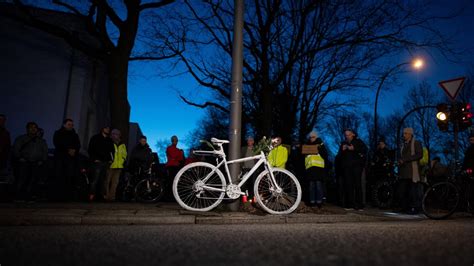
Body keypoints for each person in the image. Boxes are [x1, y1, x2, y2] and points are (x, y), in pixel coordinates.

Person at [12, 122, 48, 201]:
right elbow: (16, 149)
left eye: (35, 127)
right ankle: (18, 196)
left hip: (36, 162)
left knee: (33, 180)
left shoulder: (41, 141)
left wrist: (42, 160)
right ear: (27, 129)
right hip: (24, 162)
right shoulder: (21, 138)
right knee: (22, 179)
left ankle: (29, 196)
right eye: (31, 127)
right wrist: (20, 158)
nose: (33, 129)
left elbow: (45, 151)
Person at [336, 129, 367, 210]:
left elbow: (365, 149)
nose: (347, 136)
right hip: (347, 167)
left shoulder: (358, 141)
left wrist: (354, 148)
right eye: (346, 135)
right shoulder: (343, 143)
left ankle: (359, 205)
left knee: (357, 185)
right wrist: (342, 151)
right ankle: (350, 204)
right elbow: (339, 156)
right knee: (348, 185)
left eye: (348, 135)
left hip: (357, 166)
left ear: (353, 134)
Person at [53, 118, 81, 201]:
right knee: (59, 176)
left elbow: (78, 144)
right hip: (60, 158)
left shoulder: (74, 135)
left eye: (72, 125)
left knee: (69, 177)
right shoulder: (58, 133)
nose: (71, 126)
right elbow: (58, 143)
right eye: (69, 124)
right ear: (64, 125)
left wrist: (74, 150)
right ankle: (58, 196)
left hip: (71, 159)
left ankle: (67, 196)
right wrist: (68, 150)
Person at [397, 127, 423, 214]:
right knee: (403, 191)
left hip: (412, 171)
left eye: (405, 133)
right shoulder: (403, 144)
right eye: (403, 133)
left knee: (413, 192)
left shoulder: (416, 143)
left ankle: (415, 208)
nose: (404, 135)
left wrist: (405, 159)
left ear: (410, 134)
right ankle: (404, 207)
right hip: (404, 172)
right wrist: (400, 161)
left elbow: (419, 155)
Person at [87, 126, 114, 201]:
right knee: (95, 179)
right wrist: (94, 159)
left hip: (106, 163)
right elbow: (90, 149)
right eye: (106, 128)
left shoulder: (109, 140)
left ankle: (102, 196)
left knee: (104, 180)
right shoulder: (95, 138)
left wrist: (111, 160)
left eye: (109, 129)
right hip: (97, 162)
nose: (108, 130)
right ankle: (91, 195)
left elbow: (112, 151)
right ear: (102, 129)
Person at [304, 131, 328, 208]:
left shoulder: (321, 144)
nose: (311, 138)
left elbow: (325, 155)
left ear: (316, 137)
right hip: (310, 169)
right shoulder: (306, 145)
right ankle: (312, 202)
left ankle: (319, 202)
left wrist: (318, 149)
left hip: (318, 169)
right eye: (310, 137)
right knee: (311, 186)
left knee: (318, 185)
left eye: (313, 137)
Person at [104, 129, 127, 202]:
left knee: (115, 183)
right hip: (110, 165)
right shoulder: (109, 142)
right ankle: (106, 196)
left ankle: (112, 197)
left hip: (119, 166)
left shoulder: (122, 144)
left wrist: (123, 160)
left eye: (116, 134)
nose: (114, 135)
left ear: (119, 135)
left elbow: (125, 154)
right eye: (113, 134)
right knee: (107, 181)